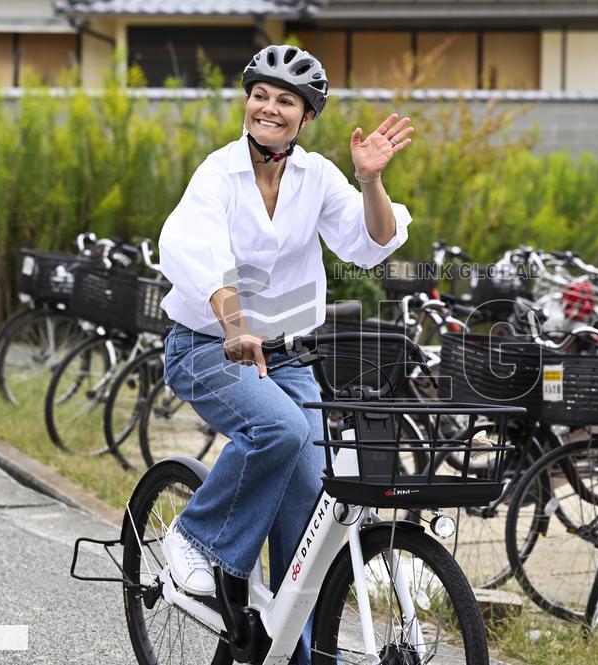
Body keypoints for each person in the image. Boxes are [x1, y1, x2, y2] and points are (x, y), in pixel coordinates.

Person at [156, 44, 413, 663]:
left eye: (286, 100)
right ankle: (195, 541)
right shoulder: (217, 175)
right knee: (279, 427)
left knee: (309, 514)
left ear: (306, 115)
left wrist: (370, 180)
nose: (268, 107)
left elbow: (371, 242)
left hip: (291, 356)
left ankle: (291, 655)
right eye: (261, 94)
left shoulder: (317, 177)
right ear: (248, 101)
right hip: (206, 347)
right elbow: (196, 249)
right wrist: (236, 323)